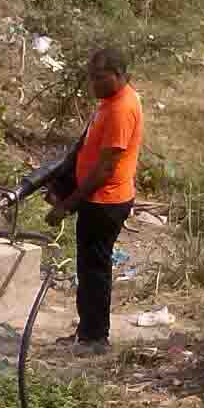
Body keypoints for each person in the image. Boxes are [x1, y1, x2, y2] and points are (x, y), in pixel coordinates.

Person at [45, 48, 143, 355]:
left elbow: (104, 170)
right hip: (99, 197)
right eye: (91, 78)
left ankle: (95, 338)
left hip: (105, 200)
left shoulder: (120, 109)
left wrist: (68, 204)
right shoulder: (109, 102)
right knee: (88, 267)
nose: (94, 85)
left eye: (100, 78)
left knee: (95, 269)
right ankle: (87, 331)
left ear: (120, 75)